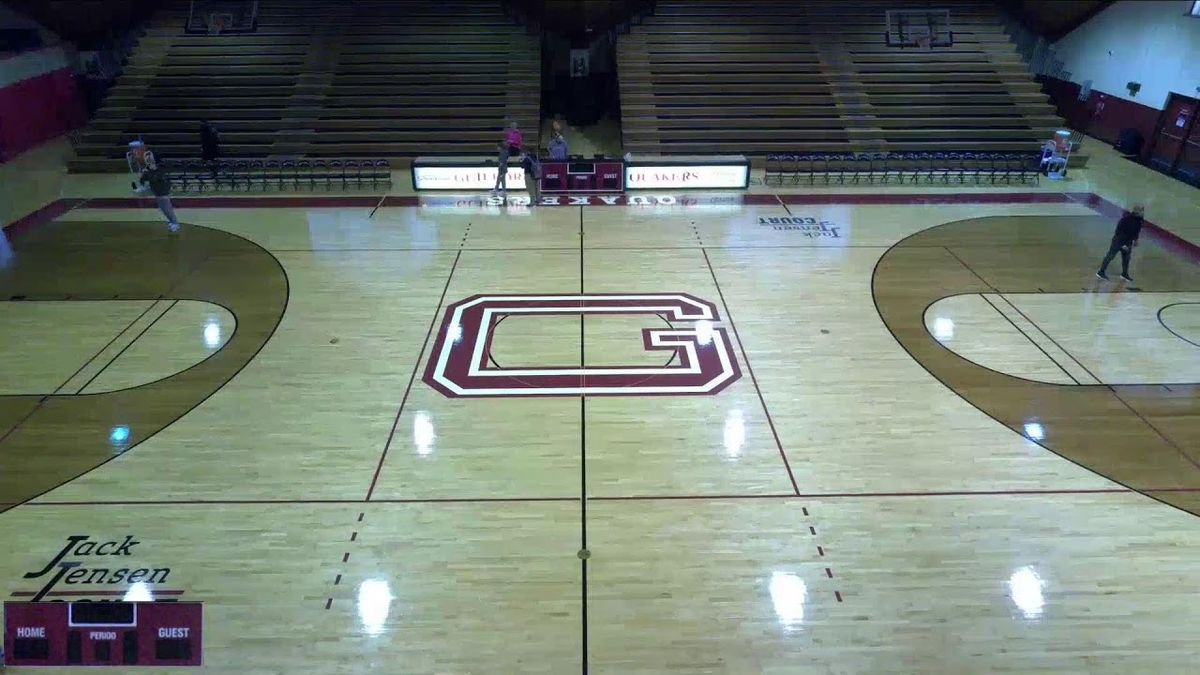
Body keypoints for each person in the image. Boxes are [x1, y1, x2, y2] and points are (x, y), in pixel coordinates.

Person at [1096, 205, 1144, 282]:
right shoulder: (1126, 219)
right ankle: (1101, 272)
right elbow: (1119, 232)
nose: (1142, 212)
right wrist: (1123, 245)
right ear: (1136, 211)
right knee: (1110, 256)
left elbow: (1137, 231)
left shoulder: (1140, 220)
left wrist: (1136, 240)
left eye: (1142, 211)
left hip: (1128, 242)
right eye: (1141, 211)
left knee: (1126, 259)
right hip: (1118, 241)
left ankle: (1124, 274)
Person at [137, 161, 179, 233]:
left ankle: (175, 223)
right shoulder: (149, 172)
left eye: (151, 164)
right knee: (164, 210)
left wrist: (146, 173)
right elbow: (142, 180)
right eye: (149, 165)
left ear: (155, 165)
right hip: (157, 194)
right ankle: (172, 222)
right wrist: (143, 174)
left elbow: (154, 178)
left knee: (168, 210)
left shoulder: (159, 172)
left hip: (163, 193)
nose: (150, 166)